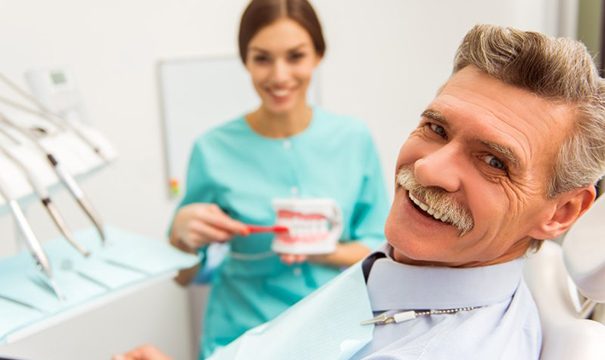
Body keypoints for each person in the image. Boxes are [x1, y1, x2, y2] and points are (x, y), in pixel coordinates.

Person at [116, 23, 605, 360]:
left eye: (494, 161)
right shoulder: (404, 269)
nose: (429, 168)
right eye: (435, 127)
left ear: (562, 212)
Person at [163, 0, 388, 358]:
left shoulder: (353, 139)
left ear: (318, 55)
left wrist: (327, 251)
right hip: (241, 340)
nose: (279, 76)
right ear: (246, 61)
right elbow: (184, 276)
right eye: (262, 58)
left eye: (295, 56)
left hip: (336, 338)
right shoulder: (212, 149)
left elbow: (381, 251)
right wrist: (180, 239)